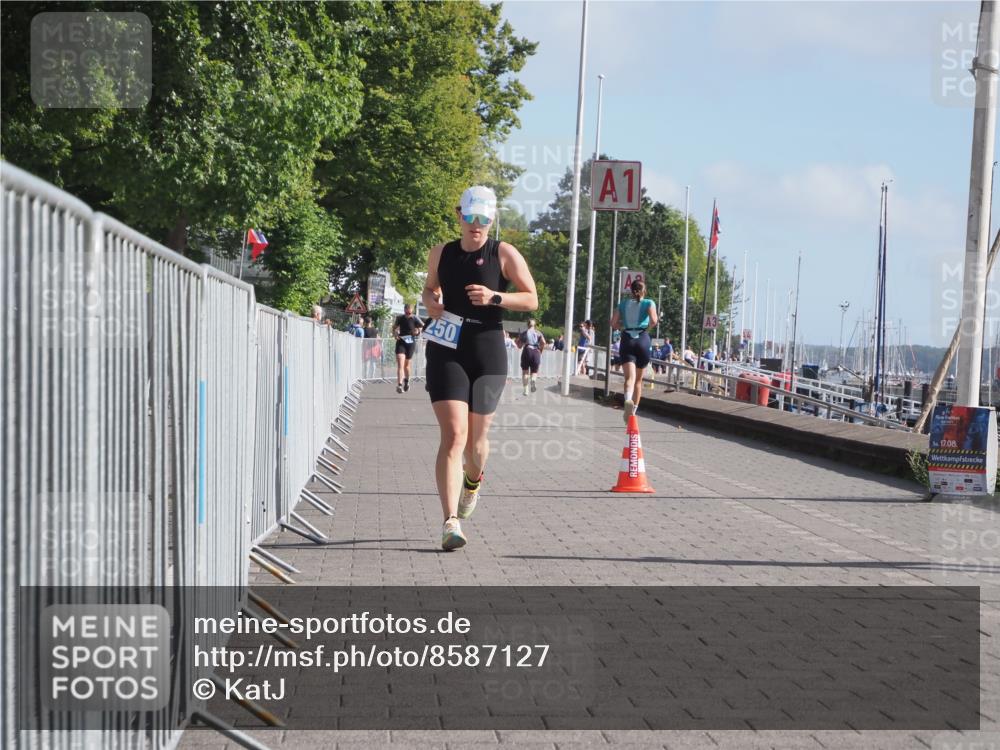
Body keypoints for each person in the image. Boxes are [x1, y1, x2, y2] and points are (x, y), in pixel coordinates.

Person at [421, 186, 539, 551]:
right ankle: (449, 522)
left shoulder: (502, 253)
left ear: (492, 220)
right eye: (471, 217)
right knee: (454, 436)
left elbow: (531, 297)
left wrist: (495, 297)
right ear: (459, 215)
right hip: (447, 347)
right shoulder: (441, 253)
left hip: (488, 350)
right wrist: (432, 304)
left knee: (476, 443)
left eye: (484, 219)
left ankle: (473, 482)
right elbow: (428, 289)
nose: (477, 226)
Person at [610, 278, 659, 423]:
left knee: (629, 379)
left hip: (627, 339)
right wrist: (647, 328)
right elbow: (654, 320)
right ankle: (633, 413)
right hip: (643, 339)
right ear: (644, 291)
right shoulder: (649, 303)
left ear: (631, 291)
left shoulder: (623, 304)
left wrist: (623, 326)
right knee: (638, 380)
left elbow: (613, 323)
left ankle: (627, 400)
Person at [393, 304, 423, 393]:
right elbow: (394, 328)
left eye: (409, 312)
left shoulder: (415, 318)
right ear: (404, 310)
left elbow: (422, 326)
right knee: (400, 363)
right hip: (401, 341)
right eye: (406, 312)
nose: (408, 314)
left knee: (407, 365)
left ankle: (406, 381)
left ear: (412, 311)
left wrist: (418, 331)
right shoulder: (400, 318)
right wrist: (395, 333)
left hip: (410, 342)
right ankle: (399, 385)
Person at [516, 318, 547, 395]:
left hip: (527, 351)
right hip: (536, 351)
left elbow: (519, 346)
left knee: (525, 371)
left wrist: (518, 341)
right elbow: (543, 342)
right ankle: (533, 380)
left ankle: (526, 390)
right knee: (534, 371)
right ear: (535, 325)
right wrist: (540, 350)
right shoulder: (538, 333)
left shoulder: (524, 333)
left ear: (527, 325)